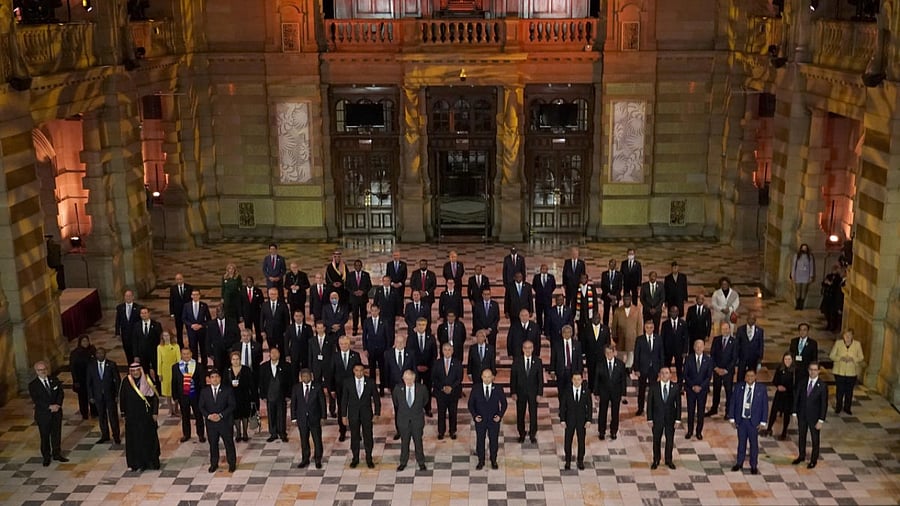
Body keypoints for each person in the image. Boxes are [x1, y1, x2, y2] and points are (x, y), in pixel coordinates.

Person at [120, 363, 160, 472]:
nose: (135, 373)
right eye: (133, 371)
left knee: (148, 439)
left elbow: (155, 398)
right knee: (135, 440)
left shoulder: (147, 380)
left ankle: (150, 462)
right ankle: (137, 463)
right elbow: (122, 398)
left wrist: (155, 413)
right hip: (132, 417)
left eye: (137, 370)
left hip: (146, 417)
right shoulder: (126, 382)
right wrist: (123, 414)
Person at [728, 369, 768, 474]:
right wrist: (732, 418)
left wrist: (763, 422)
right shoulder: (738, 387)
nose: (750, 378)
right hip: (741, 421)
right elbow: (733, 403)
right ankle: (739, 463)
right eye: (748, 376)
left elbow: (765, 406)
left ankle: (753, 465)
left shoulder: (761, 389)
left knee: (753, 444)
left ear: (755, 377)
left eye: (752, 376)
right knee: (741, 443)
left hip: (753, 422)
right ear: (745, 377)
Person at [28, 361, 68, 466]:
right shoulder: (33, 385)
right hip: (43, 415)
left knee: (56, 434)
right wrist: (49, 407)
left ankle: (57, 454)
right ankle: (46, 457)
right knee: (45, 436)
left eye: (44, 369)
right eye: (40, 370)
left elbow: (60, 393)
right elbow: (37, 400)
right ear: (36, 371)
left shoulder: (54, 380)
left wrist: (58, 405)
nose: (43, 371)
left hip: (56, 413)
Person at [468, 368, 508, 470]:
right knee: (480, 441)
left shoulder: (498, 388)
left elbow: (504, 403)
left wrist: (500, 415)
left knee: (493, 441)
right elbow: (470, 404)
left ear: (493, 377)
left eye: (488, 377)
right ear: (481, 377)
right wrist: (475, 416)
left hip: (493, 421)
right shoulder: (476, 388)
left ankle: (493, 460)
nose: (486, 379)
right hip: (480, 420)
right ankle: (481, 461)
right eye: (484, 377)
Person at [343, 364, 381, 468]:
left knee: (368, 436)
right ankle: (355, 458)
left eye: (361, 370)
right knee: (354, 437)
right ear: (353, 371)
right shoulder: (348, 382)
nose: (359, 373)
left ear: (364, 371)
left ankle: (369, 458)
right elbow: (344, 400)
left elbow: (377, 399)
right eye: (356, 370)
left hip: (367, 414)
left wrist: (377, 413)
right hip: (353, 414)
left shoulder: (370, 382)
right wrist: (343, 415)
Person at [199, 369, 237, 473]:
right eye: (212, 377)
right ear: (209, 379)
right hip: (211, 424)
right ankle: (214, 464)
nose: (215, 379)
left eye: (216, 377)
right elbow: (201, 407)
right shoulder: (204, 391)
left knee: (228, 443)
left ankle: (232, 463)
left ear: (220, 378)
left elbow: (232, 405)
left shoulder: (227, 390)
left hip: (225, 422)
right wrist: (208, 416)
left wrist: (221, 415)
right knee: (213, 444)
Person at [792, 361, 828, 468]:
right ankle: (801, 456)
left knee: (815, 439)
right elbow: (796, 398)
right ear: (808, 370)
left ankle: (813, 460)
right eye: (811, 370)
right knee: (801, 436)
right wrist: (794, 413)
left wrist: (821, 420)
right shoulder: (802, 382)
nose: (813, 372)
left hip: (814, 417)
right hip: (802, 415)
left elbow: (824, 404)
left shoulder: (822, 386)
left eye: (815, 370)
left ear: (819, 371)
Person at [291, 368, 326, 469]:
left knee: (317, 440)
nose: (306, 378)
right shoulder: (296, 388)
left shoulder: (317, 387)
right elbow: (294, 403)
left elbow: (322, 402)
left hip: (314, 418)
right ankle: (305, 459)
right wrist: (294, 418)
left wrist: (323, 416)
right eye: (304, 376)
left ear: (311, 376)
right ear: (300, 377)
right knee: (304, 440)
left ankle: (318, 459)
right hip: (302, 419)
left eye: (307, 376)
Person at [647, 367, 681, 470]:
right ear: (659, 375)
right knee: (656, 440)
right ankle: (656, 460)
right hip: (657, 419)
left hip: (670, 419)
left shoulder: (675, 387)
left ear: (670, 375)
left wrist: (678, 419)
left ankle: (668, 460)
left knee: (669, 440)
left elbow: (678, 405)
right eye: (662, 373)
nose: (664, 375)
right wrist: (650, 419)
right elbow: (649, 404)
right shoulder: (654, 387)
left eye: (666, 373)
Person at [394, 369, 428, 471]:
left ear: (414, 378)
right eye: (406, 379)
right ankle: (403, 462)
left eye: (410, 379)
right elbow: (396, 402)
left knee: (418, 442)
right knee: (404, 442)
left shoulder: (422, 388)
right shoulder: (397, 389)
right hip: (403, 421)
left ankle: (421, 462)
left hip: (417, 420)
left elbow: (425, 401)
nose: (408, 381)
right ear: (403, 379)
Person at [510, 340, 543, 444]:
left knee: (533, 414)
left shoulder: (538, 361)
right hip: (520, 392)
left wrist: (539, 393)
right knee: (520, 414)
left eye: (530, 348)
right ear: (523, 349)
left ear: (533, 349)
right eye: (526, 348)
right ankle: (522, 434)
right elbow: (513, 378)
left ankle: (533, 434)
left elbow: (540, 379)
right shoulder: (517, 361)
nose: (528, 350)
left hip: (533, 393)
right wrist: (513, 392)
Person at [86, 347, 121, 444]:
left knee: (113, 416)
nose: (100, 355)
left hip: (110, 395)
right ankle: (105, 435)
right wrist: (91, 396)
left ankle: (116, 436)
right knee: (101, 416)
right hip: (98, 396)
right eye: (98, 353)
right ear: (96, 355)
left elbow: (117, 380)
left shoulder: (112, 365)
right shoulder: (91, 366)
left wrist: (117, 394)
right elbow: (89, 383)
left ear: (105, 354)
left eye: (102, 353)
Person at [171, 347, 207, 443]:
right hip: (183, 396)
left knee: (198, 415)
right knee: (185, 416)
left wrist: (204, 396)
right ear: (181, 355)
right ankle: (186, 434)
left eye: (188, 354)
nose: (186, 356)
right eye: (184, 354)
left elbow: (202, 382)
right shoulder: (175, 367)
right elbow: (174, 382)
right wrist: (175, 396)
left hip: (195, 395)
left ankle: (201, 434)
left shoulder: (198, 366)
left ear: (191, 354)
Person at [330, 335, 361, 441]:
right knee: (341, 409)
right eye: (342, 344)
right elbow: (331, 374)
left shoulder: (355, 355)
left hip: (353, 388)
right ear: (339, 345)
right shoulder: (334, 356)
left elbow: (359, 372)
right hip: (339, 388)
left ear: (349, 344)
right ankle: (342, 431)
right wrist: (332, 389)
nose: (344, 346)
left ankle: (356, 431)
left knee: (355, 410)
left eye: (346, 344)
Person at [559, 371, 591, 470]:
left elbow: (589, 406)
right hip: (569, 420)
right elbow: (562, 406)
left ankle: (580, 460)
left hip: (581, 421)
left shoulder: (586, 391)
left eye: (578, 379)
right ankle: (568, 461)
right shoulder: (567, 391)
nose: (577, 381)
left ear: (581, 380)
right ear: (572, 380)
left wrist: (589, 420)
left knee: (581, 441)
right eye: (575, 379)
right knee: (568, 441)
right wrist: (562, 419)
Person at [593, 345, 626, 440]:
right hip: (604, 392)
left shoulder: (620, 364)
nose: (609, 354)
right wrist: (596, 392)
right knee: (602, 412)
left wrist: (623, 394)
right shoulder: (600, 364)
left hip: (616, 392)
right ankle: (602, 431)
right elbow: (597, 379)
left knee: (615, 413)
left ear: (614, 352)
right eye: (607, 353)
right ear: (605, 353)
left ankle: (613, 431)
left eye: (610, 352)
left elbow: (623, 380)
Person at [385, 333, 414, 440]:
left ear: (405, 343)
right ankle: (399, 430)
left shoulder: (410, 353)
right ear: (394, 343)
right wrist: (387, 385)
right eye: (398, 342)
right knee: (398, 409)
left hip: (409, 385)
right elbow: (386, 370)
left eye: (402, 342)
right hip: (395, 387)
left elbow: (414, 369)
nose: (400, 344)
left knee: (409, 407)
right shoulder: (388, 354)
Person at [432, 343, 463, 440]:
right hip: (440, 393)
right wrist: (443, 387)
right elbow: (434, 378)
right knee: (441, 413)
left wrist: (451, 387)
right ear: (442, 351)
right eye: (445, 349)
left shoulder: (457, 363)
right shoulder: (437, 363)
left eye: (449, 350)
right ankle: (441, 432)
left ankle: (452, 431)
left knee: (453, 413)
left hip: (453, 393)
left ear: (452, 351)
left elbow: (459, 378)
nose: (447, 352)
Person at [830, 329, 865, 415]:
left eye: (849, 335)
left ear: (852, 336)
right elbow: (832, 355)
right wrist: (840, 358)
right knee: (840, 390)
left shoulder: (857, 344)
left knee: (849, 391)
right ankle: (838, 407)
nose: (847, 337)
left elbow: (861, 357)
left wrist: (853, 359)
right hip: (839, 371)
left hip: (851, 372)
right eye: (846, 335)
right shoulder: (838, 343)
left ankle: (847, 408)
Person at [259, 347, 291, 442]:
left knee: (282, 415)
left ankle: (282, 433)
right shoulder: (264, 367)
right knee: (271, 415)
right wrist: (263, 395)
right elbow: (261, 382)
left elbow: (290, 381)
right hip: (269, 394)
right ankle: (273, 433)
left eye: (276, 353)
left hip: (281, 395)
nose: (274, 355)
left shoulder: (286, 366)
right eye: (272, 353)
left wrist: (288, 395)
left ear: (279, 354)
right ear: (269, 354)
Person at [684, 338, 713, 441]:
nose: (699, 348)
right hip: (690, 390)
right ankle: (690, 431)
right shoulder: (688, 359)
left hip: (702, 390)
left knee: (701, 412)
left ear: (704, 347)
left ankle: (699, 432)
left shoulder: (708, 360)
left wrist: (700, 387)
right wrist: (693, 386)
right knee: (690, 411)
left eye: (700, 346)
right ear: (694, 347)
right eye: (697, 346)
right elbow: (685, 375)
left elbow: (708, 376)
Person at [633, 320, 663, 417]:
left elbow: (661, 355)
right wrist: (636, 369)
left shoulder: (658, 339)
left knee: (654, 390)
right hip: (643, 369)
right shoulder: (640, 339)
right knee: (641, 390)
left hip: (654, 369)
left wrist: (661, 370)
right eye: (647, 327)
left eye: (651, 327)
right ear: (644, 328)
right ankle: (640, 408)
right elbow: (636, 355)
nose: (649, 329)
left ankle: (653, 408)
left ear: (653, 328)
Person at [407, 317, 436, 417]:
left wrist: (428, 366)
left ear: (426, 325)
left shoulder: (431, 338)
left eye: (423, 325)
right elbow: (409, 355)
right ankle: (417, 409)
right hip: (416, 370)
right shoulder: (411, 338)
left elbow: (434, 355)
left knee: (427, 389)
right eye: (419, 325)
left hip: (428, 369)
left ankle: (428, 408)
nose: (421, 327)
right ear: (416, 325)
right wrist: (416, 367)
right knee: (416, 390)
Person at [707, 322, 737, 417]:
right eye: (723, 329)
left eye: (726, 329)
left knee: (729, 392)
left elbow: (734, 358)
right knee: (716, 390)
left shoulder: (734, 342)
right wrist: (716, 368)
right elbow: (712, 355)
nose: (725, 331)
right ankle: (714, 408)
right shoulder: (716, 340)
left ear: (729, 329)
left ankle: (728, 411)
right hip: (717, 371)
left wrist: (725, 370)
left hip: (728, 372)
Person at [308, 320, 337, 417]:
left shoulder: (331, 340)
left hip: (328, 368)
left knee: (330, 389)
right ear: (315, 328)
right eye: (318, 328)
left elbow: (333, 354)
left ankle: (332, 410)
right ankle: (320, 410)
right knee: (317, 390)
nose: (320, 329)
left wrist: (333, 368)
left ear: (324, 328)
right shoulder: (311, 341)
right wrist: (310, 370)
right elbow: (310, 356)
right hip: (316, 369)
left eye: (321, 327)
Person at [226, 351, 256, 442]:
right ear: (231, 361)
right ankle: (238, 433)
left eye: (237, 359)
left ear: (240, 360)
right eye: (233, 359)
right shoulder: (227, 371)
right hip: (232, 396)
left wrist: (253, 397)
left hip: (244, 396)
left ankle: (245, 433)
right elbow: (224, 384)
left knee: (244, 415)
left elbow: (251, 384)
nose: (235, 361)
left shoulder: (246, 369)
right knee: (236, 416)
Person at [766, 353, 795, 440]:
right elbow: (775, 380)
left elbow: (795, 385)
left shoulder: (795, 371)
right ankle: (769, 428)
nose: (787, 361)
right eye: (786, 359)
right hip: (779, 394)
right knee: (774, 411)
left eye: (789, 359)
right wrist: (778, 386)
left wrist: (786, 388)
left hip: (788, 396)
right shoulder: (780, 368)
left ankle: (784, 432)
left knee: (786, 414)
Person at [362, 304, 390, 396]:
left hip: (382, 350)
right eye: (372, 310)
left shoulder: (384, 321)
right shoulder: (367, 321)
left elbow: (388, 336)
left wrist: (387, 349)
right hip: (371, 350)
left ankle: (382, 389)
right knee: (372, 371)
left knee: (382, 370)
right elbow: (364, 336)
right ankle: (373, 390)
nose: (373, 312)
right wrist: (365, 349)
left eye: (375, 310)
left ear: (379, 311)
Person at [581, 312, 610, 392]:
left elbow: (607, 343)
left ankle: (599, 388)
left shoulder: (605, 329)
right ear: (592, 318)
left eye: (598, 318)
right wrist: (583, 353)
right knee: (591, 372)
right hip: (590, 355)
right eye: (595, 318)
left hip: (601, 356)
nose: (596, 319)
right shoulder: (587, 328)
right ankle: (591, 387)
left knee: (601, 373)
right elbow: (583, 342)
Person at [611, 294, 641, 371]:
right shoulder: (618, 310)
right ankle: (620, 367)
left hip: (632, 337)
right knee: (620, 353)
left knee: (631, 353)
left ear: (631, 300)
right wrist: (614, 335)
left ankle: (629, 368)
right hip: (621, 336)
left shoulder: (636, 310)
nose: (626, 301)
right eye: (625, 299)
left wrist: (640, 337)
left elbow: (639, 324)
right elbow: (614, 324)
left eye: (628, 299)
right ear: (623, 300)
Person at [69, 334, 97, 420]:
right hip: (81, 379)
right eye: (83, 341)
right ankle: (84, 413)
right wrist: (75, 381)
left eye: (87, 341)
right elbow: (73, 368)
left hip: (92, 378)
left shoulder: (92, 350)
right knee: (83, 397)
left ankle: (94, 412)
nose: (86, 343)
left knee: (93, 394)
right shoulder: (75, 353)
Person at [207, 303, 240, 372]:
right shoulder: (211, 324)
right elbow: (207, 339)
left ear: (225, 312)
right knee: (219, 370)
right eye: (218, 311)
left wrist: (234, 349)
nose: (220, 313)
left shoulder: (232, 322)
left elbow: (237, 336)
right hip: (217, 352)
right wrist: (210, 353)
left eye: (222, 311)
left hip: (229, 351)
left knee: (229, 370)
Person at [660, 306, 688, 387]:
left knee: (679, 369)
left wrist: (685, 350)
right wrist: (662, 351)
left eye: (675, 312)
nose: (673, 313)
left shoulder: (683, 323)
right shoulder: (665, 324)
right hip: (667, 350)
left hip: (679, 350)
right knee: (666, 368)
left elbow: (686, 338)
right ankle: (665, 384)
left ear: (678, 313)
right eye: (672, 311)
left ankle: (680, 386)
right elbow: (662, 338)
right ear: (669, 313)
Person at [183, 290, 211, 365]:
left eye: (197, 294)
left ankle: (204, 367)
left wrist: (201, 325)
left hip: (202, 331)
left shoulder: (204, 305)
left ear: (199, 295)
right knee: (193, 350)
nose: (195, 296)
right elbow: (184, 318)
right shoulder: (186, 306)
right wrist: (191, 325)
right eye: (193, 295)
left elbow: (209, 319)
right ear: (191, 296)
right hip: (191, 332)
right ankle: (194, 366)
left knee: (203, 350)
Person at [115, 289, 143, 365]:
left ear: (133, 297)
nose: (128, 298)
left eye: (129, 296)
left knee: (136, 353)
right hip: (126, 335)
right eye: (126, 296)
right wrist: (117, 333)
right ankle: (130, 368)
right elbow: (118, 321)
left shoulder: (138, 308)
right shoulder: (120, 308)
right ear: (124, 297)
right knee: (128, 353)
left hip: (136, 335)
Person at [157, 331, 181, 416]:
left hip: (174, 371)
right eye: (164, 336)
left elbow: (178, 360)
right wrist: (159, 373)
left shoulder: (176, 346)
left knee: (175, 391)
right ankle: (170, 410)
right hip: (165, 371)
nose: (166, 337)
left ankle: (176, 409)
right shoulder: (160, 347)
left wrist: (179, 372)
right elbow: (159, 361)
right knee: (167, 392)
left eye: (167, 335)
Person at [735, 314, 764, 381]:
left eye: (753, 319)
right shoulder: (740, 330)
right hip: (742, 359)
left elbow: (761, 345)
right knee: (740, 377)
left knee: (752, 377)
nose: (751, 320)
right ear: (747, 319)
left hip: (754, 359)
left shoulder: (759, 331)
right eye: (750, 319)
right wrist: (736, 358)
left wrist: (759, 360)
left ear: (755, 320)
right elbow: (737, 345)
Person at [346, 259, 371, 335]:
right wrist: (354, 292)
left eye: (359, 265)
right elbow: (347, 286)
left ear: (361, 266)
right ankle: (355, 329)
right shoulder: (350, 275)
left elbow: (369, 286)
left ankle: (364, 328)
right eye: (356, 265)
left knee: (364, 314)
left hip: (363, 298)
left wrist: (363, 291)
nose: (358, 267)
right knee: (355, 315)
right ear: (354, 266)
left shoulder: (366, 275)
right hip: (354, 299)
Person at [261, 286, 291, 352]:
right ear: (268, 295)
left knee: (281, 349)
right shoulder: (264, 305)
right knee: (271, 349)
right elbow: (262, 319)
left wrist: (286, 330)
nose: (273, 295)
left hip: (280, 332)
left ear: (277, 295)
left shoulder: (283, 305)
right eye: (271, 294)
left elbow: (287, 319)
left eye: (274, 294)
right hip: (269, 332)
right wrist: (262, 330)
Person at [789, 323, 818, 388]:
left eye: (804, 330)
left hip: (806, 370)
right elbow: (790, 354)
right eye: (801, 330)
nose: (802, 332)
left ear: (807, 331)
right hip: (796, 369)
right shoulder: (794, 341)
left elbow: (814, 358)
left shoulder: (812, 343)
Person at [286, 309, 312, 377]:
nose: (298, 318)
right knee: (294, 374)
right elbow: (286, 342)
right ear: (294, 317)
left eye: (300, 316)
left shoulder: (308, 328)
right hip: (294, 354)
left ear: (303, 317)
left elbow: (311, 342)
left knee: (306, 373)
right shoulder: (289, 328)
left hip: (305, 355)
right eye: (296, 316)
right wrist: (287, 354)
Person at [169, 273, 193, 347]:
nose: (179, 281)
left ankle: (191, 343)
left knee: (189, 329)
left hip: (187, 312)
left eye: (180, 279)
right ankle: (180, 345)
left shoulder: (189, 287)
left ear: (183, 279)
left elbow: (191, 300)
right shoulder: (173, 288)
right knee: (179, 330)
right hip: (178, 313)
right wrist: (172, 313)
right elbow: (171, 301)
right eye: (177, 279)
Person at [240, 276, 265, 345]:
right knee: (248, 330)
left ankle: (259, 344)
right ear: (246, 283)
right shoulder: (242, 292)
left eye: (250, 281)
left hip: (257, 315)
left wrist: (262, 315)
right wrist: (241, 315)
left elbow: (262, 304)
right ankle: (249, 343)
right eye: (248, 281)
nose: (249, 283)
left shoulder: (258, 291)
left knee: (258, 330)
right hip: (247, 315)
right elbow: (240, 304)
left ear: (253, 282)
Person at [790, 243, 815, 310]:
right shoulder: (797, 256)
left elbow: (811, 267)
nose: (804, 249)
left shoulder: (810, 256)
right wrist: (793, 275)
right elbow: (793, 266)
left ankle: (801, 305)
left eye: (805, 248)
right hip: (798, 275)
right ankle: (797, 304)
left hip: (805, 275)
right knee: (798, 290)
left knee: (803, 291)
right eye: (803, 248)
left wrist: (811, 276)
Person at [532, 263, 556, 332]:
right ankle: (539, 329)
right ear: (540, 270)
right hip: (539, 300)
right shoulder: (536, 277)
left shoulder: (551, 277)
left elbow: (553, 286)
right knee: (539, 315)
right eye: (543, 269)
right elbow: (534, 286)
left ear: (547, 270)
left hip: (547, 300)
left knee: (547, 315)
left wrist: (548, 292)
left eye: (545, 269)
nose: (544, 270)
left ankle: (546, 330)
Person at [820, 264, 844, 331]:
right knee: (826, 312)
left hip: (833, 298)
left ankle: (833, 326)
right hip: (827, 296)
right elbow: (823, 283)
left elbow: (835, 286)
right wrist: (826, 283)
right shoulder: (829, 276)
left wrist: (830, 284)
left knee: (832, 314)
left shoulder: (838, 278)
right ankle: (828, 325)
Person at [386, 249, 409, 317]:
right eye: (395, 255)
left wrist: (400, 283)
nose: (396, 256)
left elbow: (405, 275)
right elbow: (388, 274)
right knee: (392, 299)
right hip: (392, 285)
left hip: (400, 285)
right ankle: (393, 312)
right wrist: (392, 283)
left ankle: (400, 312)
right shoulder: (389, 264)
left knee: (400, 299)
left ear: (399, 256)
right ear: (393, 256)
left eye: (397, 255)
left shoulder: (403, 264)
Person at [600, 259, 623, 325]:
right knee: (606, 312)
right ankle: (605, 326)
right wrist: (608, 294)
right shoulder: (604, 274)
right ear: (609, 265)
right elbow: (603, 285)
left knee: (615, 313)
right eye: (611, 264)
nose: (612, 265)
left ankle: (615, 327)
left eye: (614, 264)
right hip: (606, 296)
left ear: (615, 265)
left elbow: (620, 286)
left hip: (615, 297)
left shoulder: (619, 274)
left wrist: (615, 296)